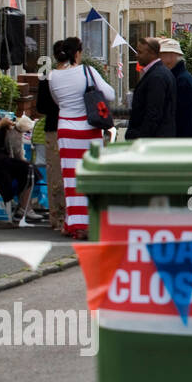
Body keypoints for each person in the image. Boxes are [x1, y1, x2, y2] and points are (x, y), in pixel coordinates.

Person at [49, 36, 115, 238]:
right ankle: (90, 222)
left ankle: (73, 223)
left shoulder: (52, 76)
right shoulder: (88, 71)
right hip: (88, 128)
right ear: (77, 52)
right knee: (91, 176)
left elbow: (57, 101)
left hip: (66, 129)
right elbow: (110, 94)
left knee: (71, 179)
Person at [36, 41, 66, 232]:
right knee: (71, 174)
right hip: (76, 127)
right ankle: (72, 216)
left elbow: (40, 107)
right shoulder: (79, 75)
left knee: (54, 173)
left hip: (53, 127)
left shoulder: (47, 77)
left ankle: (56, 218)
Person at [124, 36, 176, 140]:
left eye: (140, 52)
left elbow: (153, 113)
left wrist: (141, 138)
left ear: (152, 53)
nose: (136, 55)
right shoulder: (159, 73)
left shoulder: (157, 76)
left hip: (153, 141)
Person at [0, 115, 40, 227]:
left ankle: (23, 206)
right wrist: (1, 124)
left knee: (30, 169)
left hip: (3, 155)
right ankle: (19, 205)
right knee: (23, 170)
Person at [159, 38, 192, 138]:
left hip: (184, 141)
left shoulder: (182, 81)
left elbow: (183, 117)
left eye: (161, 55)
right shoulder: (178, 77)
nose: (158, 59)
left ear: (171, 56)